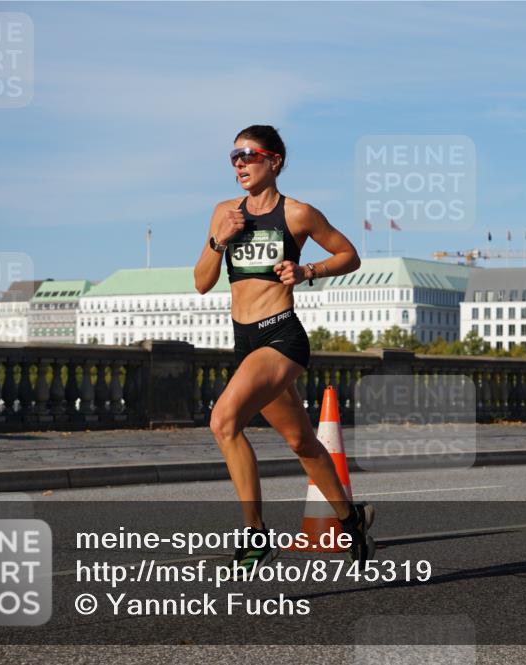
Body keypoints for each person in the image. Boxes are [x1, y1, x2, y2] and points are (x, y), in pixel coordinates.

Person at [194, 125, 374, 571]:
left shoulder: (297, 214)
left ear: (273, 161)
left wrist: (308, 269)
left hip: (281, 336)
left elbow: (349, 255)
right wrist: (220, 240)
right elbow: (201, 283)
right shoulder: (223, 213)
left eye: (248, 155)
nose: (239, 163)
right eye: (233, 155)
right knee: (302, 442)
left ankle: (256, 534)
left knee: (223, 422)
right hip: (245, 340)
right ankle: (351, 518)